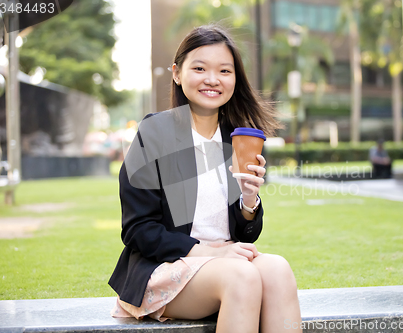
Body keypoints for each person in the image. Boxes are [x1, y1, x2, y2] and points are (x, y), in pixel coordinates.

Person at [108, 24, 303, 333]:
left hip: (226, 262)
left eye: (224, 71)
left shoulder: (236, 138)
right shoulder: (155, 133)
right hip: (166, 266)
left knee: (278, 269)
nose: (213, 79)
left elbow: (246, 233)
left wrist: (249, 199)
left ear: (235, 79)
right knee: (242, 276)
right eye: (199, 68)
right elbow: (138, 230)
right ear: (176, 72)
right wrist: (213, 252)